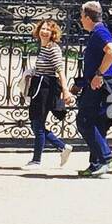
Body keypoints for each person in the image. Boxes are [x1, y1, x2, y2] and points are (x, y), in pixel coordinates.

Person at [73, 0, 112, 177]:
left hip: (102, 84)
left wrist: (99, 74)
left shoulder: (100, 31)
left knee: (84, 121)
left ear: (87, 17)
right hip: (101, 84)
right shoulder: (98, 31)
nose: (80, 20)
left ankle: (106, 157)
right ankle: (96, 164)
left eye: (81, 16)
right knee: (97, 123)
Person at [23, 18, 75, 169]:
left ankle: (37, 160)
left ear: (53, 33)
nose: (44, 32)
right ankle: (62, 147)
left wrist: (66, 91)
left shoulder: (53, 48)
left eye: (48, 30)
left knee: (38, 124)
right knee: (35, 123)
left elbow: (60, 70)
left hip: (45, 89)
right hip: (39, 87)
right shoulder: (44, 47)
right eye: (43, 29)